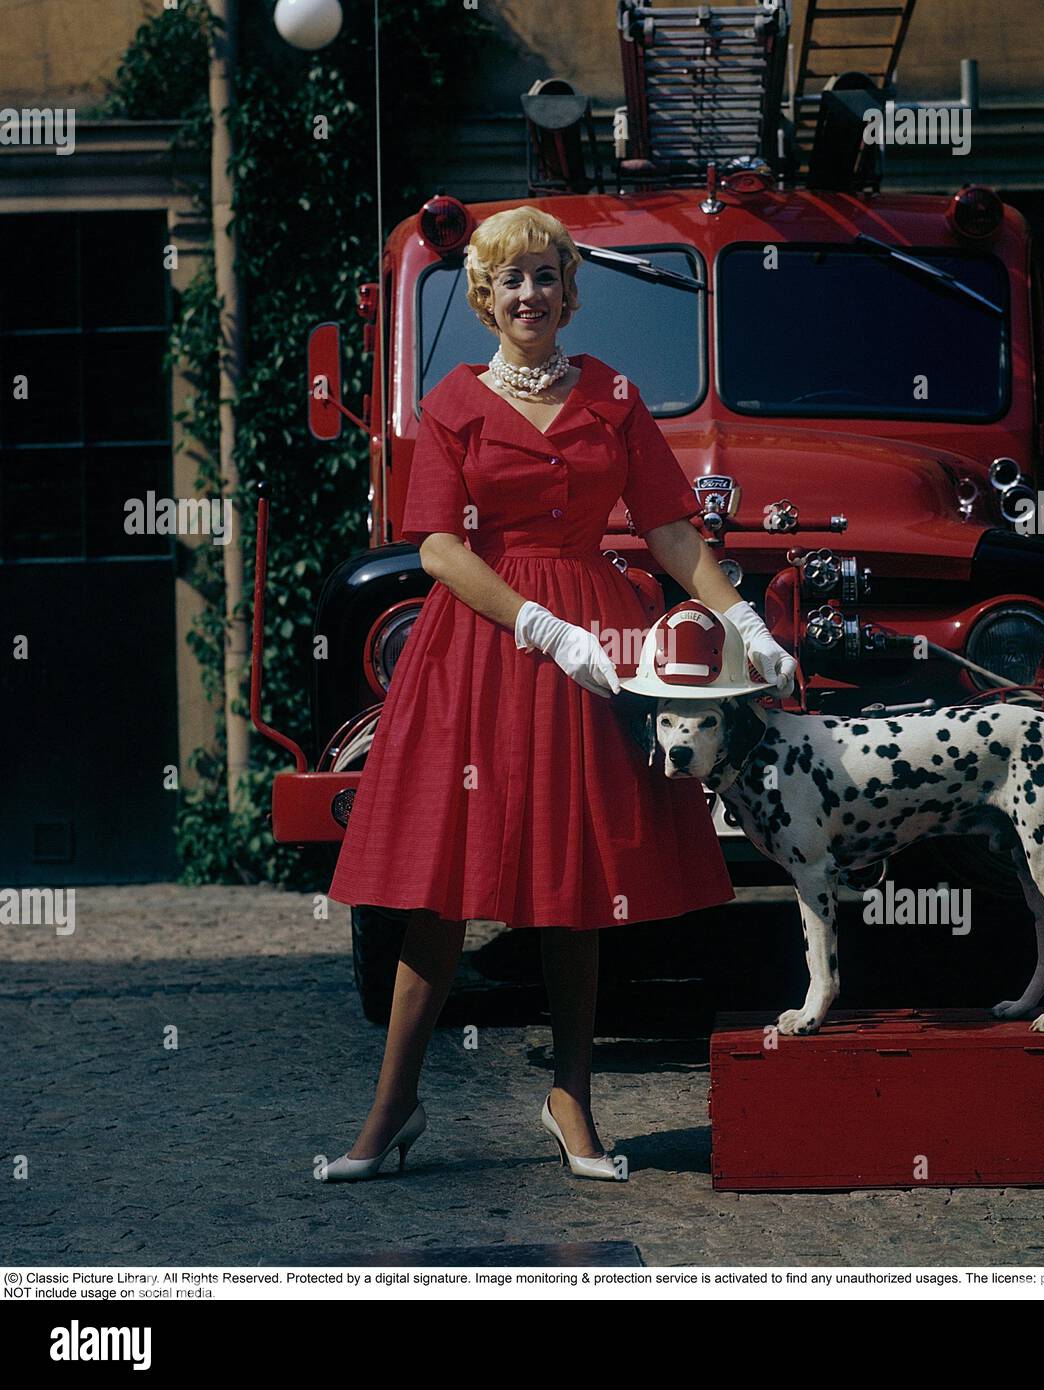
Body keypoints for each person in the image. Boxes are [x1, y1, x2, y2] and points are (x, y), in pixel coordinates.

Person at [324, 205, 796, 1181]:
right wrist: (539, 625)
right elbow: (441, 547)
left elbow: (669, 530)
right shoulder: (452, 402)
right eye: (510, 280)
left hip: (597, 639)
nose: (530, 293)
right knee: (440, 886)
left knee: (577, 880)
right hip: (485, 647)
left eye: (546, 276)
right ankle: (393, 1106)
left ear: (568, 292)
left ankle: (571, 1100)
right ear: (486, 299)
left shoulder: (615, 397)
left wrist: (744, 622)